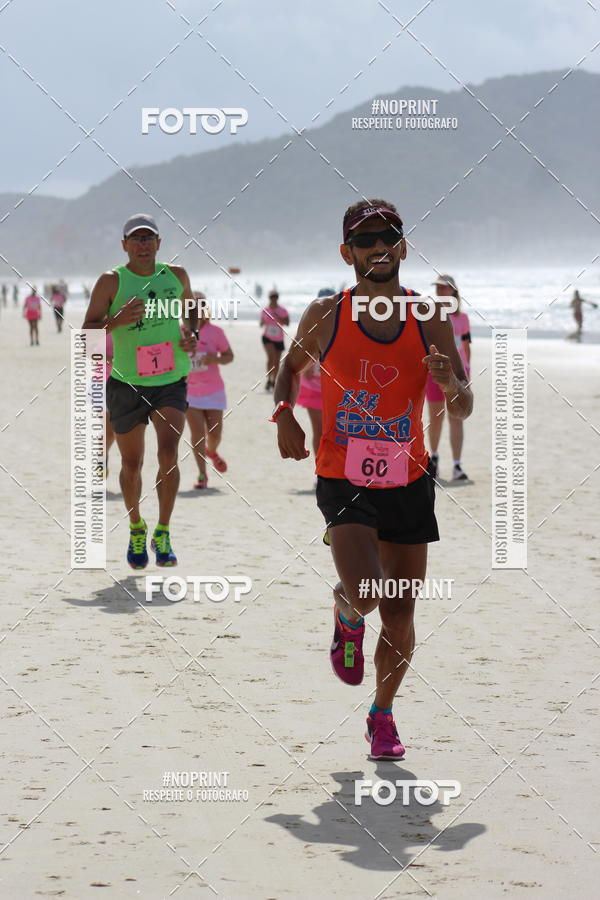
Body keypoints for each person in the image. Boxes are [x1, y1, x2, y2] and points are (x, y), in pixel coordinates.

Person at [271, 199, 472, 760]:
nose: (378, 246)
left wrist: (448, 381)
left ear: (402, 248)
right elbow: (288, 367)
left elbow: (464, 408)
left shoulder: (430, 316)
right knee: (366, 590)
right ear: (347, 253)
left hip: (409, 477)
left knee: (402, 613)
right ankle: (346, 613)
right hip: (344, 474)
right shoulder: (326, 314)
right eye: (365, 240)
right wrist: (283, 414)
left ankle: (382, 715)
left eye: (388, 236)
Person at [82, 213, 197, 568]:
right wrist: (115, 321)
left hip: (170, 380)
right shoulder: (111, 282)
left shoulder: (176, 276)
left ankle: (162, 530)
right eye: (137, 239)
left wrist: (191, 333)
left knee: (168, 453)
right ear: (124, 245)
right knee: (132, 464)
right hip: (127, 383)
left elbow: (192, 308)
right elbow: (87, 335)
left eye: (149, 239)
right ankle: (136, 526)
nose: (143, 245)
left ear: (159, 244)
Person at [425, 274, 472, 481]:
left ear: (453, 290)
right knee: (436, 418)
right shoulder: (429, 315)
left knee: (457, 418)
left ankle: (457, 465)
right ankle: (433, 458)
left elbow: (465, 346)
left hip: (458, 373)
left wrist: (466, 372)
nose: (440, 292)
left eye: (444, 288)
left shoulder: (462, 318)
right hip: (435, 373)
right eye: (438, 288)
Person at [186, 292, 234, 488]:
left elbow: (229, 356)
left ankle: (212, 451)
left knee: (214, 434)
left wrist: (215, 359)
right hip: (189, 392)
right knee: (196, 435)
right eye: (192, 306)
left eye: (199, 305)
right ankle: (202, 474)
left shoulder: (216, 332)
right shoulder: (180, 331)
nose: (196, 310)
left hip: (213, 391)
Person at [295, 288, 333, 461]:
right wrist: (306, 366)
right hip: (313, 389)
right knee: (319, 430)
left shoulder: (345, 326)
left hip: (337, 391)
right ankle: (322, 471)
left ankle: (338, 471)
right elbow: (293, 362)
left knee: (337, 432)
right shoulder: (309, 326)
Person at [260, 289, 289, 390]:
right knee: (271, 357)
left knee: (277, 362)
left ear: (277, 298)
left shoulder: (283, 310)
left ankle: (274, 381)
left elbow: (287, 323)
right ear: (269, 298)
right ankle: (268, 379)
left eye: (275, 297)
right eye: (272, 297)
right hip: (267, 337)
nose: (273, 299)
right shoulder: (265, 310)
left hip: (279, 339)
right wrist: (262, 322)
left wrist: (278, 317)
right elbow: (261, 322)